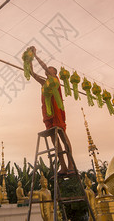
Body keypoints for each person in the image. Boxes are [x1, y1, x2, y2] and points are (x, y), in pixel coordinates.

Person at [29, 46, 75, 175]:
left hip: (56, 111)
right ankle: (64, 166)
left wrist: (36, 55)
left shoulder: (55, 80)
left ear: (54, 73)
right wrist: (29, 60)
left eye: (49, 69)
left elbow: (43, 67)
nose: (47, 69)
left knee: (62, 136)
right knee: (54, 140)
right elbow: (33, 74)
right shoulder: (44, 83)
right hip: (47, 112)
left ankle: (71, 164)